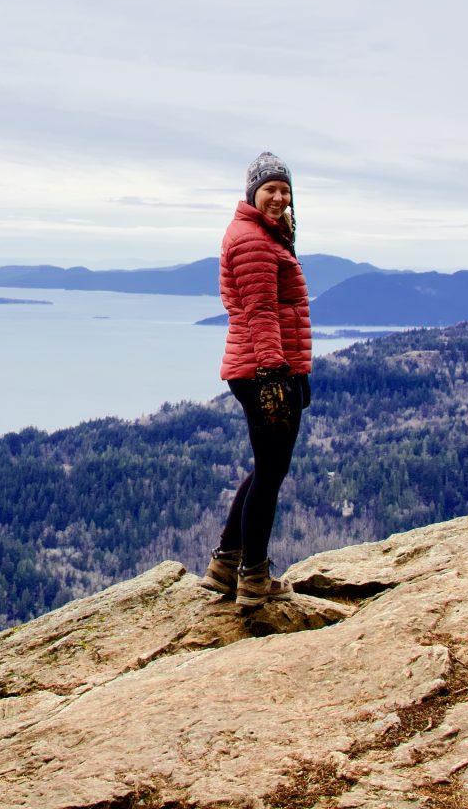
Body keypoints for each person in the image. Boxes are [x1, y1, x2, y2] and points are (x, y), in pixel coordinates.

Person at [199, 152, 312, 609]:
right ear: (253, 194)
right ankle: (253, 576)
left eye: (284, 190)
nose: (279, 197)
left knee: (268, 467)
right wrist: (273, 376)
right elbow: (261, 312)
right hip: (264, 369)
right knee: (270, 473)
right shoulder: (253, 241)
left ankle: (228, 562)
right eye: (270, 189)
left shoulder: (265, 235)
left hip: (269, 366)